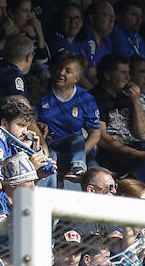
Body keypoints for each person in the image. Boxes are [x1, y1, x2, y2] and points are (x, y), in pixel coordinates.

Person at [37, 51, 102, 180]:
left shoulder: (86, 99)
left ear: (77, 78)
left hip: (76, 150)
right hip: (47, 145)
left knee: (97, 175)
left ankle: (78, 169)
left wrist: (79, 154)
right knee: (51, 158)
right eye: (59, 68)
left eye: (68, 71)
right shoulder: (42, 89)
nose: (61, 73)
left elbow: (95, 133)